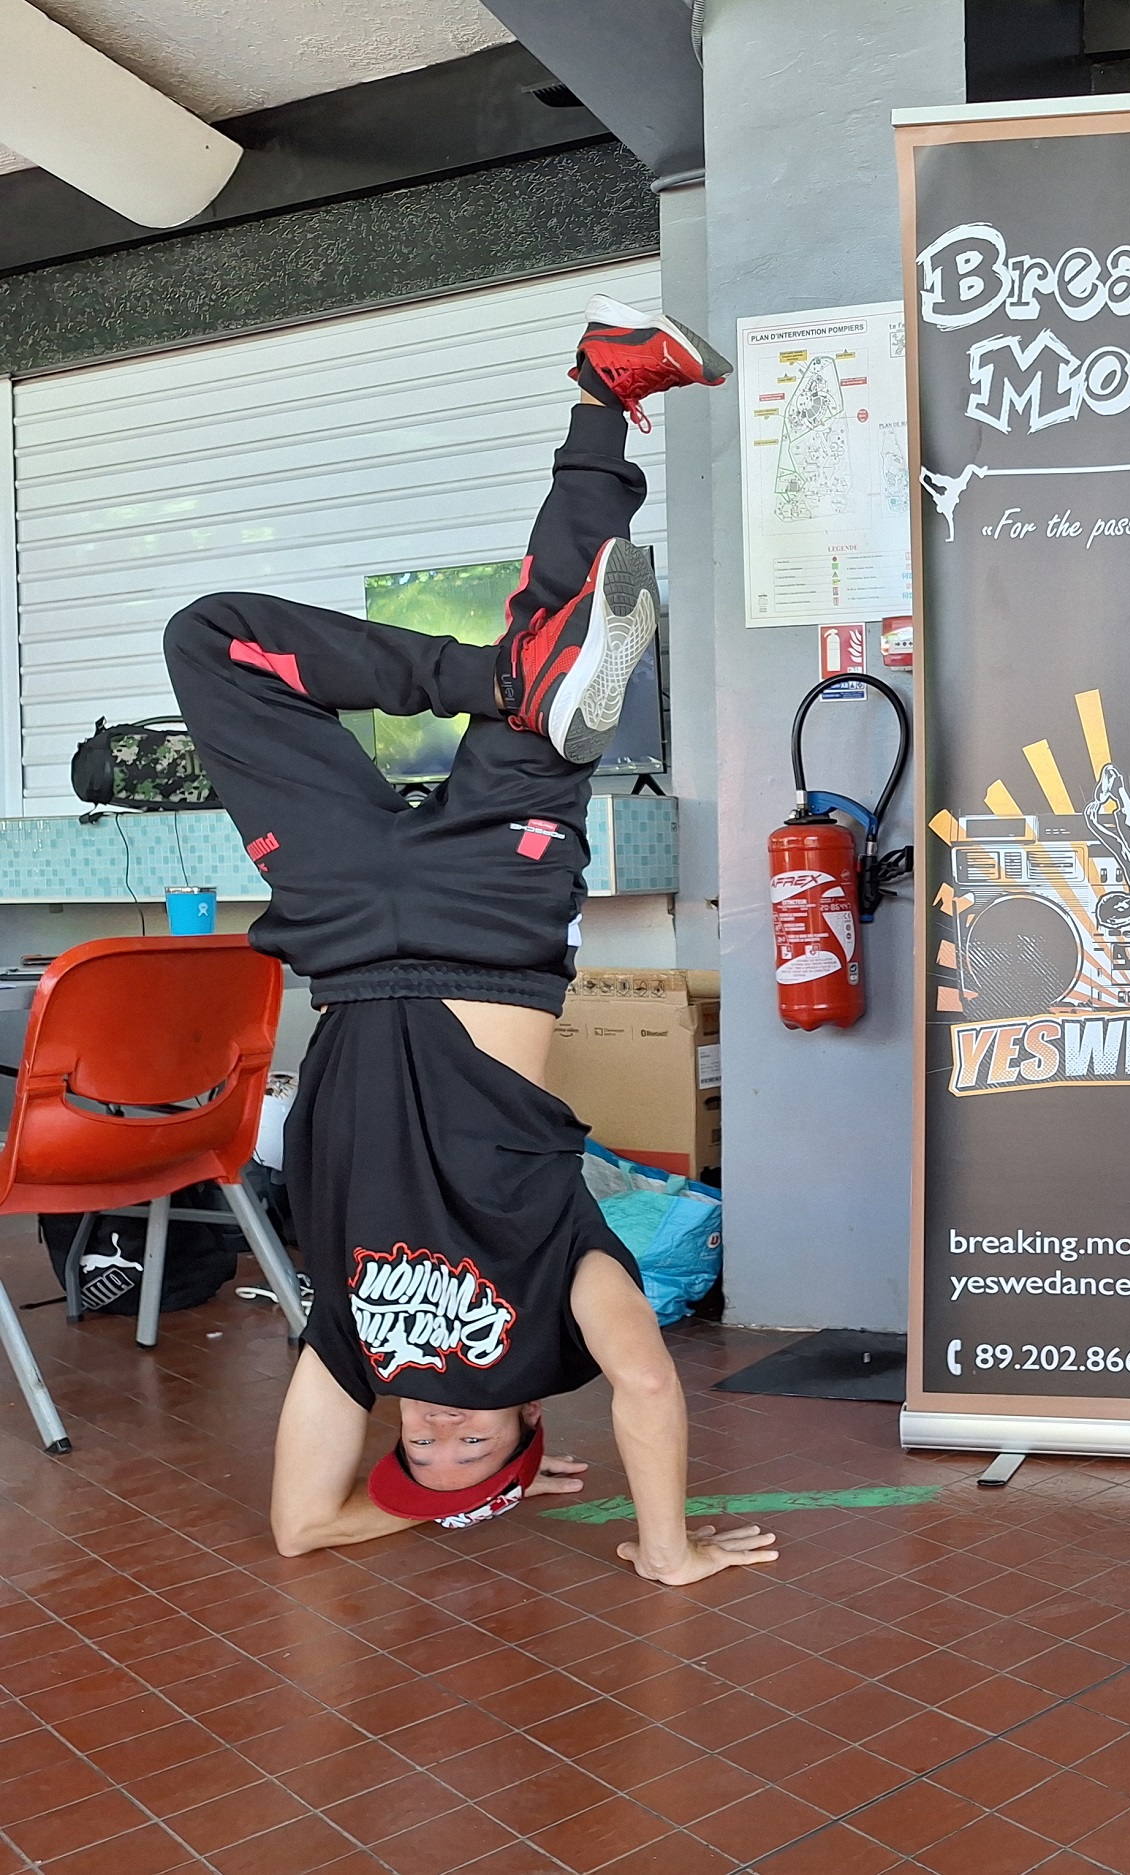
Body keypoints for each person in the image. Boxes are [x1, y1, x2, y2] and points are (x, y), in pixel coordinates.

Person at [165, 298, 777, 1585]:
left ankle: (502, 680)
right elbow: (652, 1385)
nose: (438, 1429)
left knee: (210, 636)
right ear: (523, 1424)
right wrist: (662, 1549)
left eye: (421, 1448)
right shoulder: (558, 1320)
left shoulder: (358, 1350)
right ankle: (607, 399)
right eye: (467, 1446)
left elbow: (303, 1527)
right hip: (489, 936)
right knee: (555, 706)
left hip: (340, 930)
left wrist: (447, 1507)